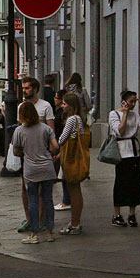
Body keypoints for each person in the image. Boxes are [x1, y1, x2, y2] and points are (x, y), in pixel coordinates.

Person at [11, 98, 60, 245]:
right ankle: (50, 232)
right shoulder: (46, 128)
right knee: (48, 200)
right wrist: (49, 154)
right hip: (47, 168)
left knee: (33, 201)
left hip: (31, 169)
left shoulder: (19, 131)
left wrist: (26, 153)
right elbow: (56, 146)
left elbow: (15, 151)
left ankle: (34, 234)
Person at [108, 90, 140, 227]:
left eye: (134, 101)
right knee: (121, 182)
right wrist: (124, 114)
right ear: (124, 102)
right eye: (131, 101)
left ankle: (132, 213)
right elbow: (120, 130)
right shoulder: (114, 114)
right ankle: (117, 214)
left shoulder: (135, 114)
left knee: (135, 183)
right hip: (122, 151)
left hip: (134, 151)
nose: (132, 104)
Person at [56, 90, 90, 235]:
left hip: (70, 158)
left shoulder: (71, 120)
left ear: (71, 105)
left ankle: (75, 223)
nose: (62, 106)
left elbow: (61, 139)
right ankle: (75, 222)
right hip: (77, 157)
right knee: (76, 190)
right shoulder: (80, 119)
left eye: (64, 103)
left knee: (73, 190)